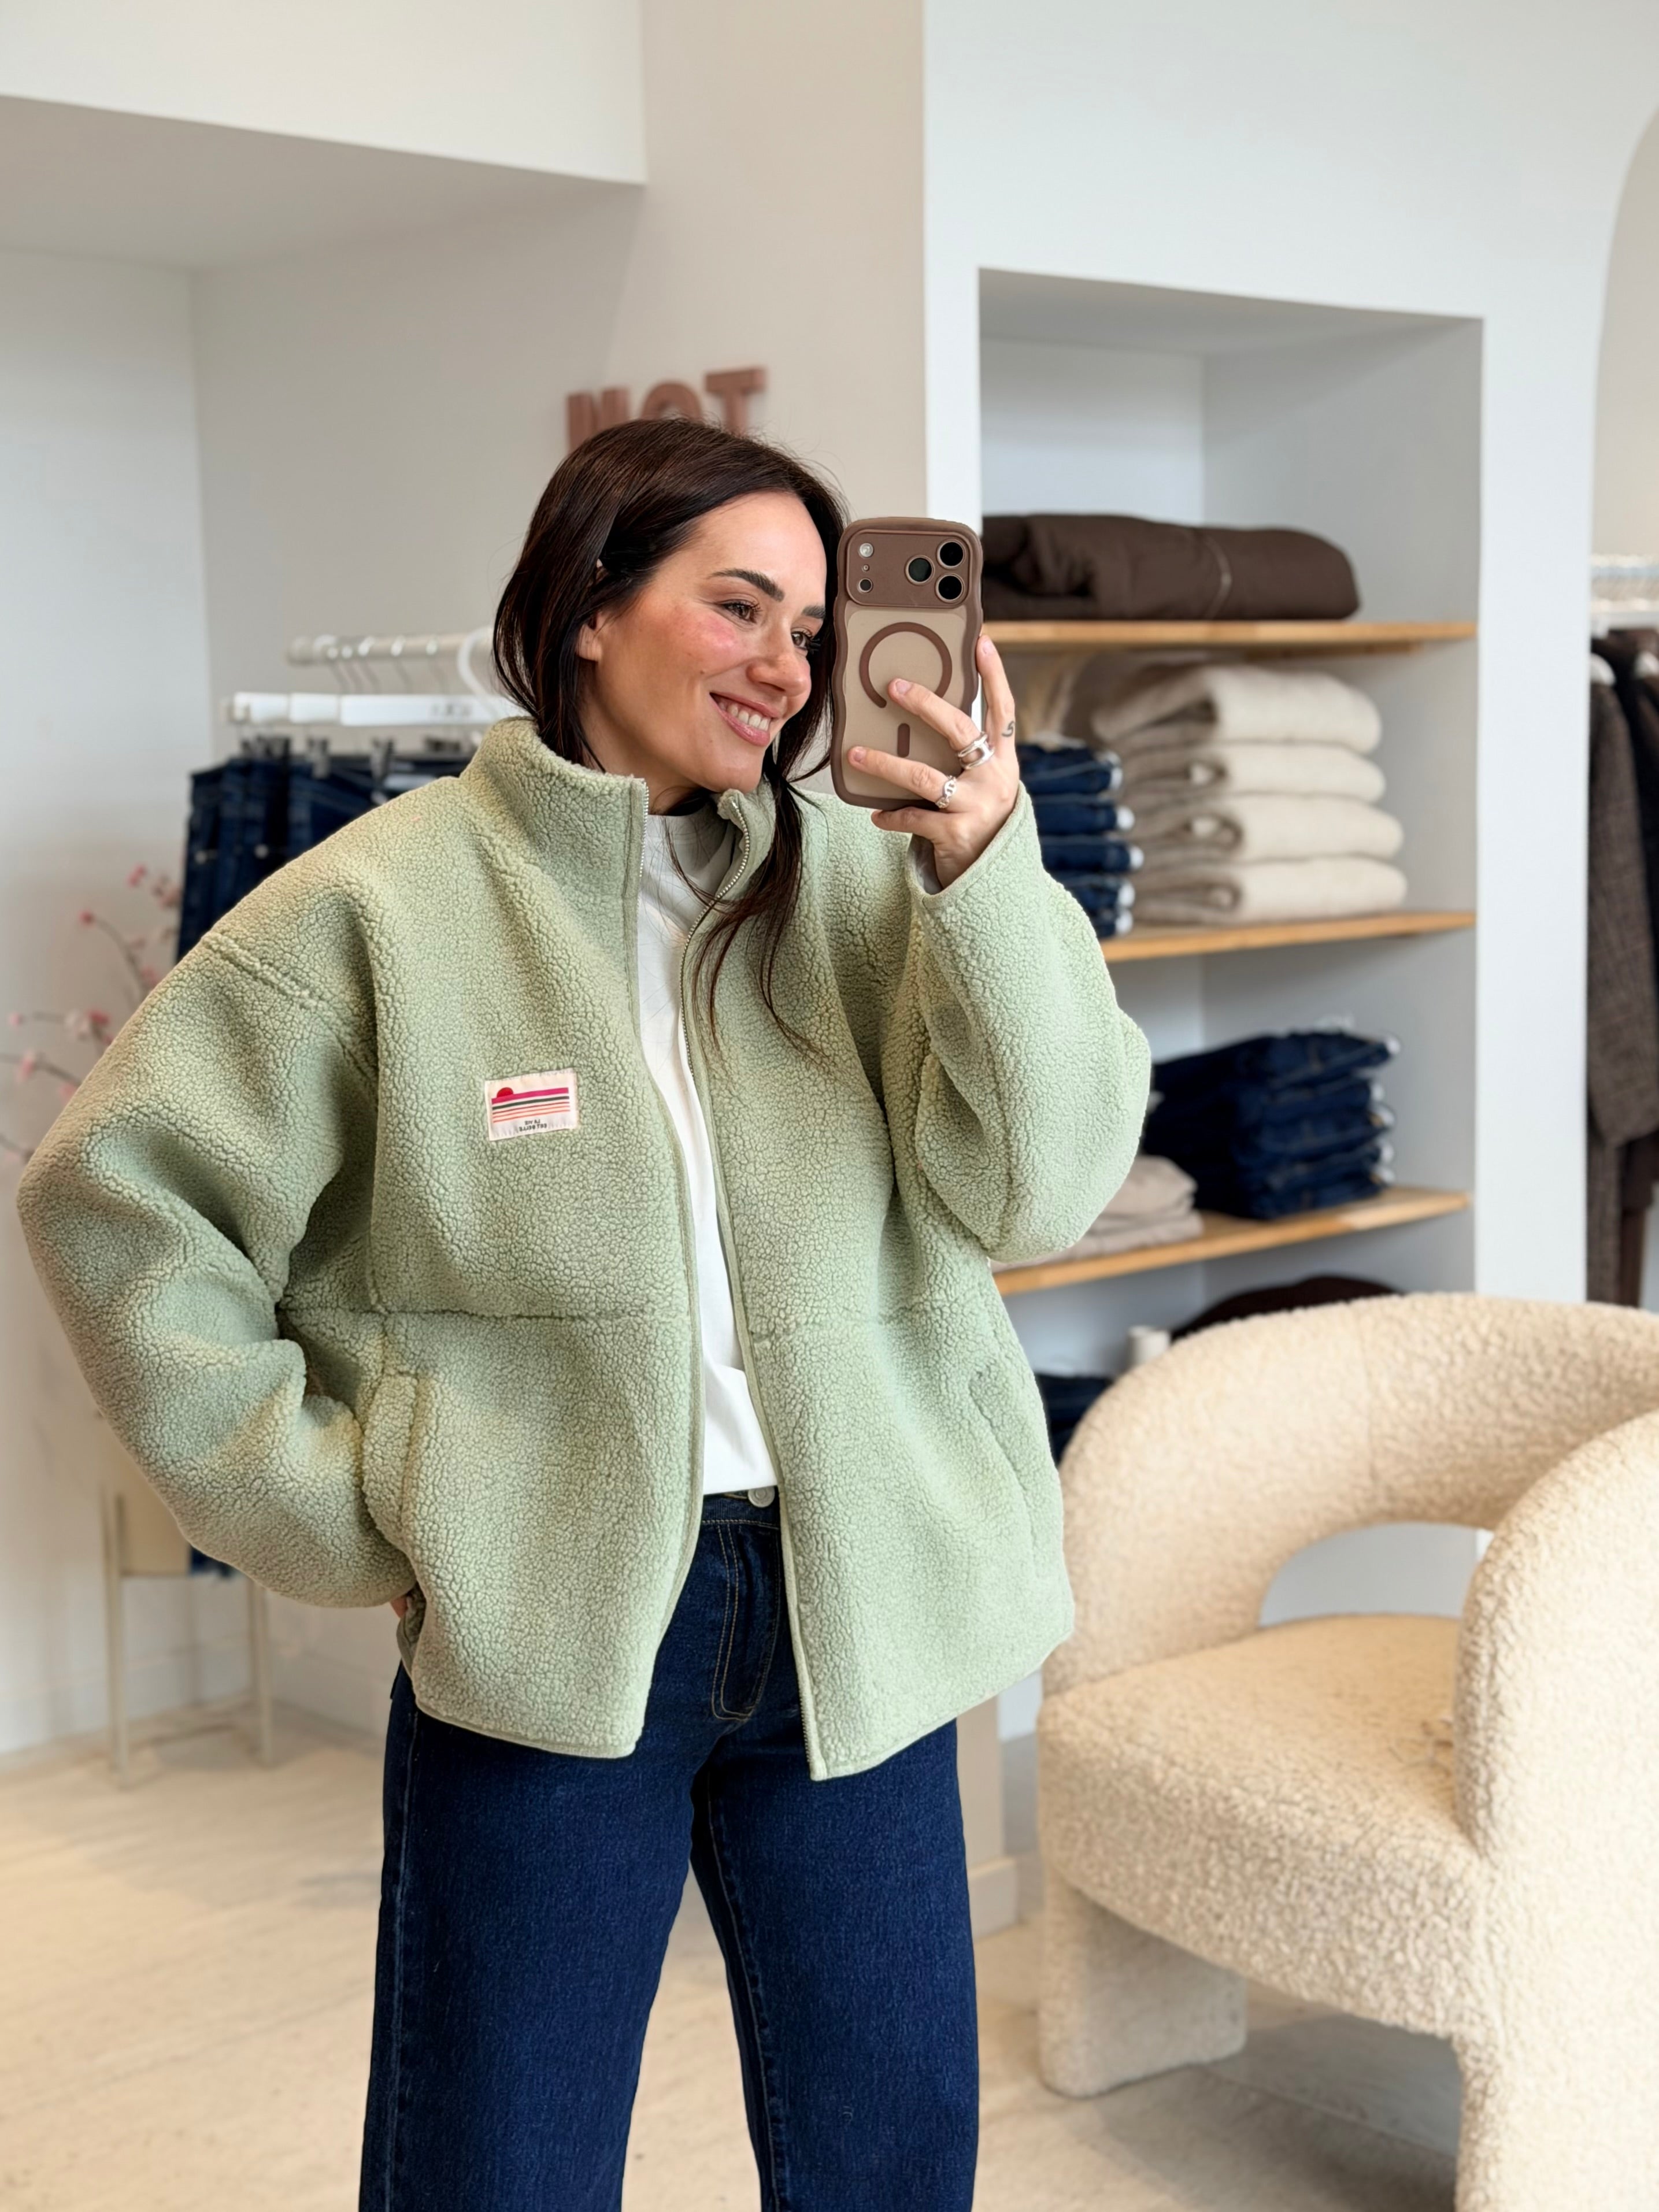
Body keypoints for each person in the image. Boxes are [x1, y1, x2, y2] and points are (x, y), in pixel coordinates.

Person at [17, 417, 1150, 2211]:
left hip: (861, 1602)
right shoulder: (379, 903)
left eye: (812, 624)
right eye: (738, 607)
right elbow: (116, 1198)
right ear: (592, 608)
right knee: (499, 2162)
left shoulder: (878, 882)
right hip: (549, 1615)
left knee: (889, 2158)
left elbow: (1042, 1188)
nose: (789, 667)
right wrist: (341, 1501)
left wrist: (986, 870)